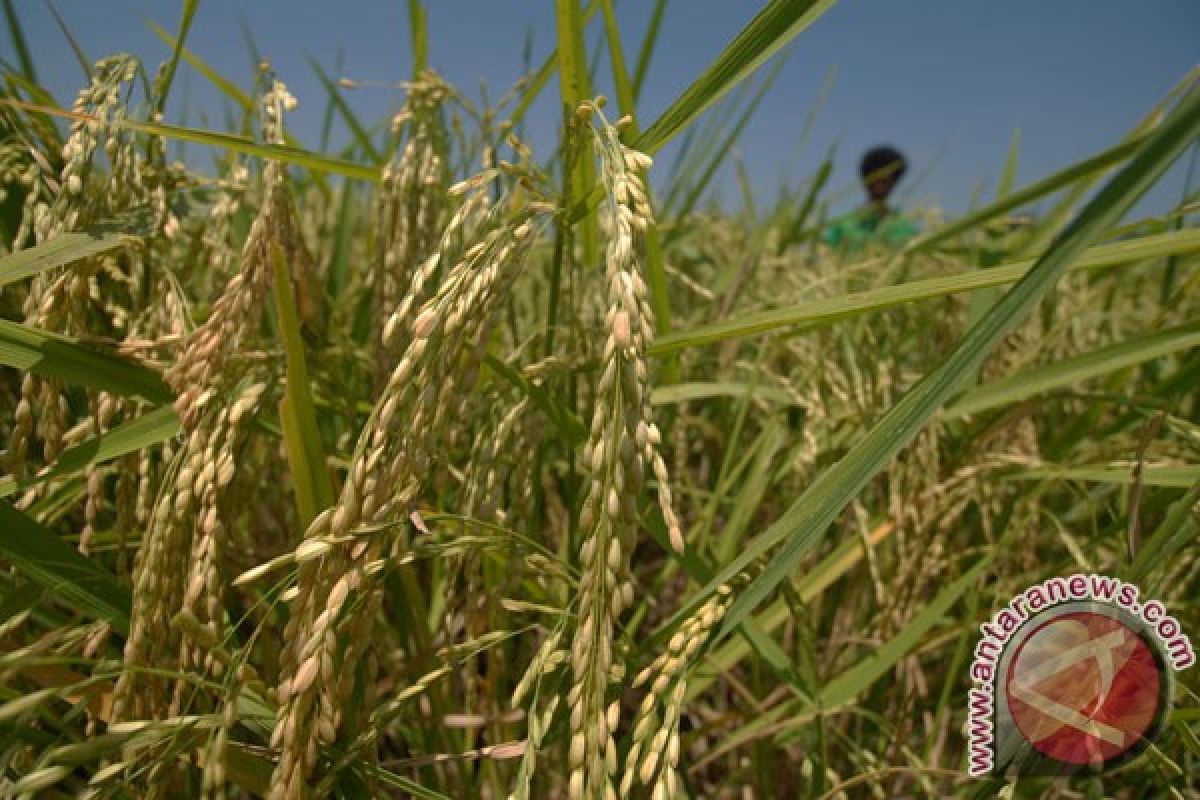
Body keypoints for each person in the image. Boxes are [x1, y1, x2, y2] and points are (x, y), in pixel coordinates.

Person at [822, 145, 919, 251]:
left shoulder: (905, 227)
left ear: (895, 181)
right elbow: (824, 253)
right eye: (876, 175)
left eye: (887, 177)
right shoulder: (843, 226)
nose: (881, 179)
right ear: (865, 179)